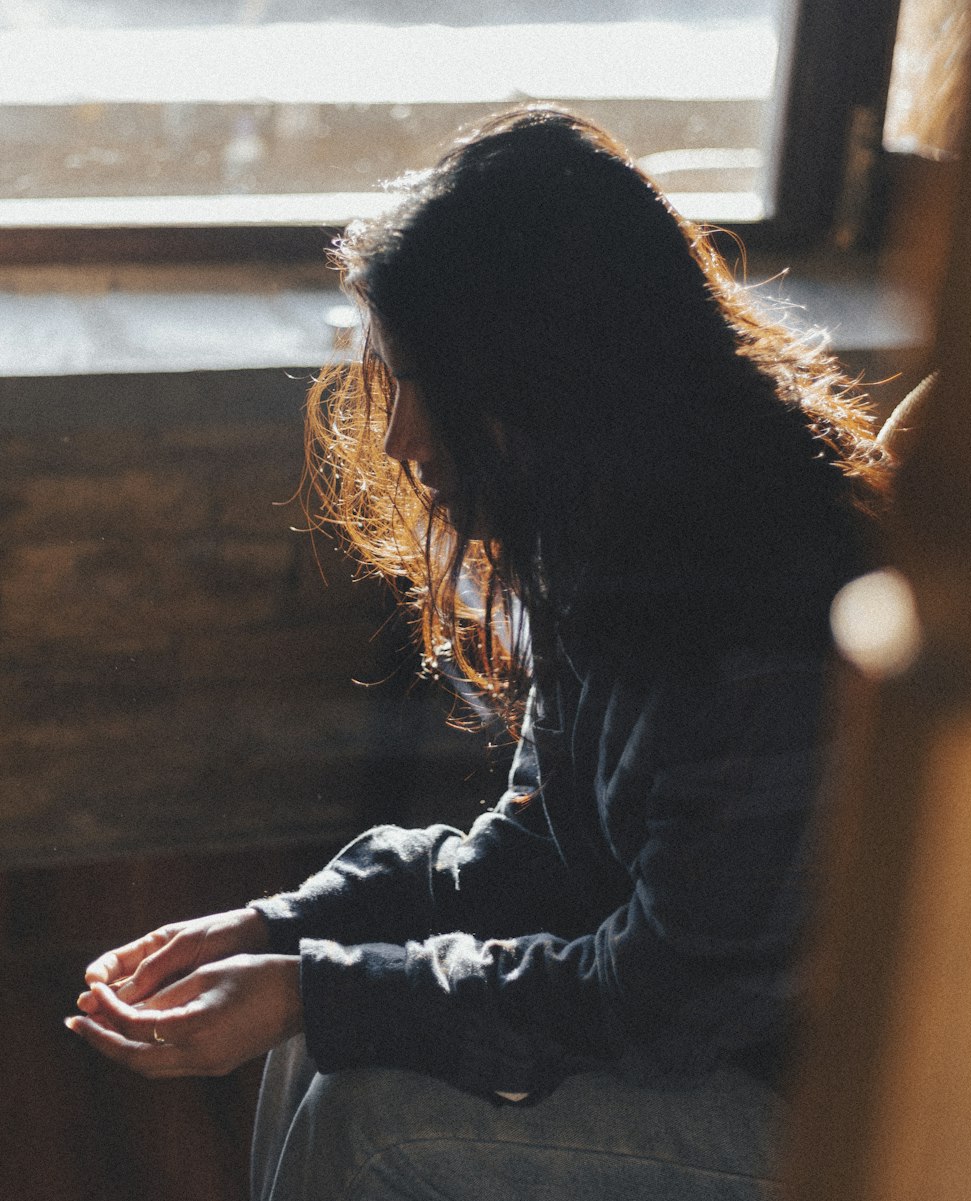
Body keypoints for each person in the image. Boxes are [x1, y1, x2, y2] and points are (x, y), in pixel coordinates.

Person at [67, 107, 889, 1200]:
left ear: (544, 380)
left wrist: (320, 990)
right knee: (321, 1033)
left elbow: (663, 1004)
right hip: (700, 1041)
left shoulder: (770, 620)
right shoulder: (618, 536)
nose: (400, 438)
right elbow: (534, 853)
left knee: (372, 1115)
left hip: (816, 1111)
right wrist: (278, 931)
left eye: (418, 385)